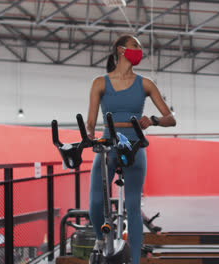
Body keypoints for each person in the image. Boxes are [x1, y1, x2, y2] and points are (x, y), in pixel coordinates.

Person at [86, 34, 176, 264]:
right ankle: (100, 241)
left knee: (134, 207)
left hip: (135, 144)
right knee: (95, 202)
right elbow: (90, 122)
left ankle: (135, 261)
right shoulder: (100, 83)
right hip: (107, 142)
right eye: (135, 45)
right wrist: (89, 138)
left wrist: (153, 120)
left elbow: (170, 118)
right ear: (120, 50)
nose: (139, 50)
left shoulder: (145, 83)